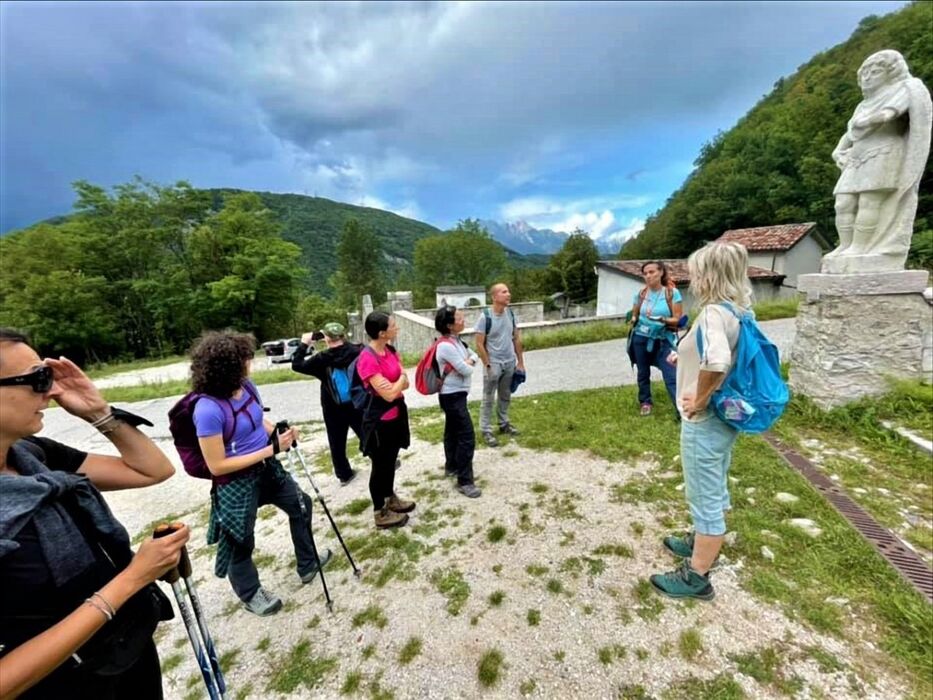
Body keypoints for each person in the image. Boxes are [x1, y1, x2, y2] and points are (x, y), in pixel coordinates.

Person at [0, 328, 189, 699]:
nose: (51, 391)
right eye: (38, 379)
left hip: (122, 652)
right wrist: (133, 578)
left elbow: (152, 469)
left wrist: (98, 413)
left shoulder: (32, 456)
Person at [189, 331, 331, 617]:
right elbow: (217, 466)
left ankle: (308, 564)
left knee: (301, 505)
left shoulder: (246, 387)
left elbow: (257, 419)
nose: (250, 363)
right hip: (236, 482)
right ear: (229, 367)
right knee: (239, 538)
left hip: (267, 469)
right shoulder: (207, 410)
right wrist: (271, 449)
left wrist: (278, 432)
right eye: (246, 359)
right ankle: (250, 593)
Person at [650, 241, 748, 601]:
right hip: (726, 416)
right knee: (715, 479)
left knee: (702, 492)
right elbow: (720, 353)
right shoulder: (737, 311)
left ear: (708, 276)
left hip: (705, 419)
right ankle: (701, 540)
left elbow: (718, 361)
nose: (692, 280)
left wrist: (700, 399)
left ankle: (697, 576)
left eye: (696, 273)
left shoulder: (712, 314)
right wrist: (685, 357)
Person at [825, 49, 932, 273]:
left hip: (884, 152)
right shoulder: (862, 105)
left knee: (869, 202)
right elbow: (850, 133)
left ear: (890, 73)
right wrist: (838, 150)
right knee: (843, 203)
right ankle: (845, 245)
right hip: (857, 157)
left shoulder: (902, 90)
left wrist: (868, 121)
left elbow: (889, 114)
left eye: (875, 72)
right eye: (864, 73)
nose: (868, 77)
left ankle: (860, 248)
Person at [354, 312, 416, 529]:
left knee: (390, 460)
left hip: (396, 415)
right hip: (379, 421)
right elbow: (389, 394)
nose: (396, 328)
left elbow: (404, 384)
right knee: (380, 465)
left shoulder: (390, 350)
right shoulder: (367, 358)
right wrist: (400, 380)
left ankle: (390, 498)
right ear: (382, 333)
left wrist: (397, 383)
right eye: (392, 325)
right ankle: (380, 512)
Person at [291, 322, 363, 485]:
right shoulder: (357, 351)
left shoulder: (322, 359)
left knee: (336, 440)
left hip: (332, 405)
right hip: (356, 401)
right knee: (366, 432)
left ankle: (344, 474)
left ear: (326, 338)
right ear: (343, 335)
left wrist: (304, 344)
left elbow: (297, 365)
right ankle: (383, 461)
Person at [434, 305, 482, 498]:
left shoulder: (457, 341)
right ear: (449, 325)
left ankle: (452, 466)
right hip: (451, 395)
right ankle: (465, 481)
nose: (464, 321)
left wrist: (469, 361)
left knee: (452, 431)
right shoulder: (446, 346)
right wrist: (468, 363)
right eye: (460, 319)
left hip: (456, 394)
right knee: (466, 436)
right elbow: (466, 370)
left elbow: (474, 355)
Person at [627, 261, 683, 417]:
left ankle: (681, 410)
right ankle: (645, 402)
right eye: (645, 273)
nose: (648, 276)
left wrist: (663, 320)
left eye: (651, 272)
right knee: (643, 372)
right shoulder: (641, 294)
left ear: (661, 273)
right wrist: (632, 319)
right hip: (640, 338)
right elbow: (635, 314)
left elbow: (678, 319)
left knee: (671, 374)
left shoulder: (671, 293)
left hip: (663, 339)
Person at [474, 283, 525, 447]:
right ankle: (486, 430)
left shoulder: (510, 314)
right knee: (488, 398)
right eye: (504, 292)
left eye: (508, 291)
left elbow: (516, 338)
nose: (508, 294)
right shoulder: (485, 317)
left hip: (509, 362)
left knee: (505, 395)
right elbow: (479, 343)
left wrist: (520, 362)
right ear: (494, 297)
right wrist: (487, 364)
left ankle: (504, 424)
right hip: (493, 363)